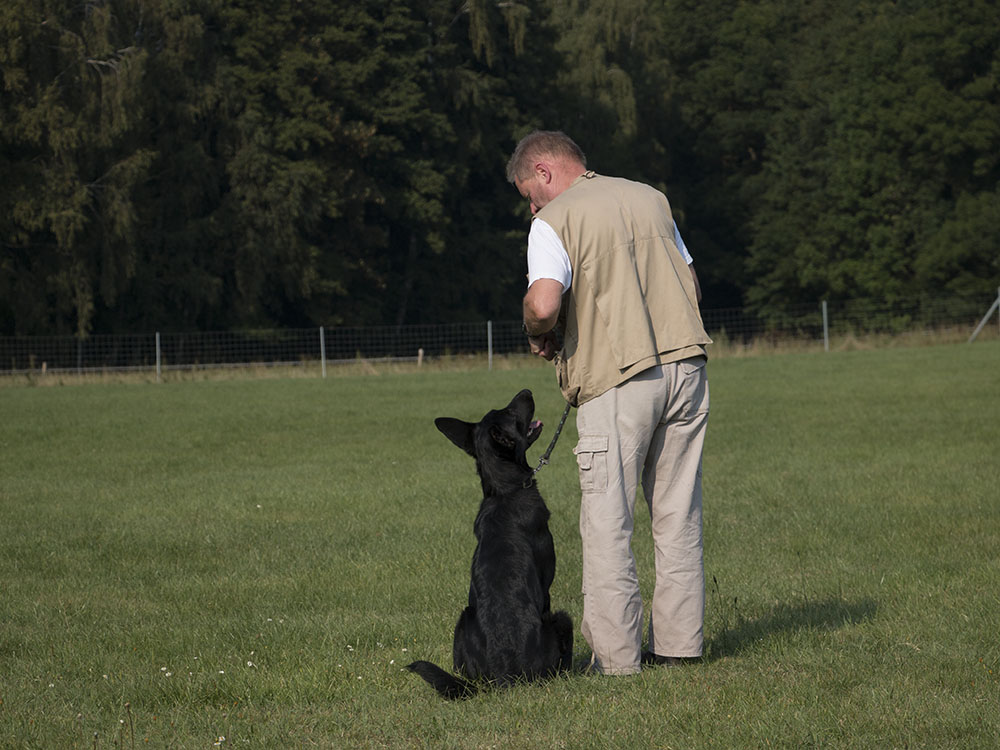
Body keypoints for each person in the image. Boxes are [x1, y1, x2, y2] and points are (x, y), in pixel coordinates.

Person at [507, 130, 712, 675]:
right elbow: (690, 283)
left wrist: (535, 328)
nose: (531, 205)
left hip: (620, 381)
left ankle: (617, 661)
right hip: (687, 368)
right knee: (677, 516)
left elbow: (545, 302)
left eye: (530, 192)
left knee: (607, 523)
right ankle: (678, 648)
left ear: (545, 171)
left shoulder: (553, 221)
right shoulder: (651, 197)